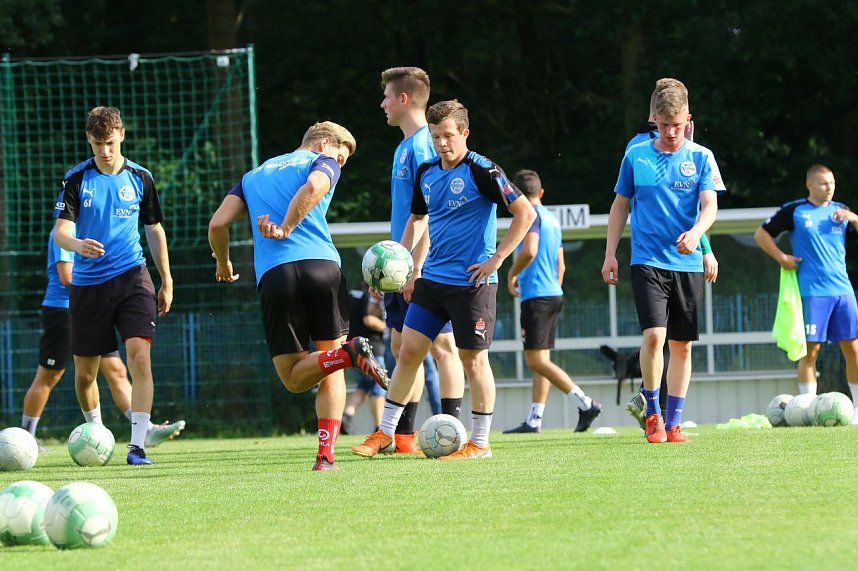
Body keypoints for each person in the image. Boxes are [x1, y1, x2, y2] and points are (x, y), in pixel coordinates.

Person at [352, 99, 536, 460]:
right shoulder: (427, 171)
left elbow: (524, 213)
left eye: (448, 136)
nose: (441, 143)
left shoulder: (484, 170)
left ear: (464, 133)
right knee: (408, 353)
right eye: (436, 136)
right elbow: (417, 220)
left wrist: (496, 259)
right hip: (432, 281)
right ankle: (386, 432)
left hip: (472, 285)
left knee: (473, 361)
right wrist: (400, 265)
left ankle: (480, 443)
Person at [208, 121, 389, 471]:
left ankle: (346, 361)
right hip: (324, 268)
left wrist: (223, 260)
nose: (340, 164)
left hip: (277, 277)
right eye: (340, 156)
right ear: (323, 143)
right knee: (331, 363)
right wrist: (288, 226)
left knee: (293, 378)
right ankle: (325, 455)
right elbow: (317, 184)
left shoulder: (252, 176)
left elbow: (217, 225)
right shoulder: (321, 162)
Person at [602, 84, 725, 443]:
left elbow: (709, 205)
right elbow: (619, 206)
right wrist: (610, 253)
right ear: (653, 119)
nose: (671, 133)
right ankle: (652, 412)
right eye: (665, 125)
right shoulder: (636, 156)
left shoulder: (702, 156)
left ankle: (674, 422)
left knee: (682, 345)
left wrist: (699, 238)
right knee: (655, 336)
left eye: (678, 125)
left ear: (688, 120)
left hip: (685, 264)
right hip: (647, 259)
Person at [53, 106, 177, 465]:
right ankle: (96, 432)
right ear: (89, 141)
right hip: (88, 284)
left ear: (121, 135)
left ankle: (137, 446)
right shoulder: (76, 179)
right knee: (84, 373)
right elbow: (61, 231)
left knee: (139, 357)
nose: (104, 151)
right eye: (97, 144)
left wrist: (165, 280)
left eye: (109, 142)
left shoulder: (140, 177)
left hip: (132, 276)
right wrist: (78, 245)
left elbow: (154, 229)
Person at [22, 226, 185, 449]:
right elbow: (66, 276)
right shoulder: (65, 232)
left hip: (98, 306)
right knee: (50, 375)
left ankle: (144, 430)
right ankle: (26, 438)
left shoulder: (99, 229)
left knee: (117, 370)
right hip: (64, 310)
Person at [376, 67, 466, 453]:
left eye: (385, 96)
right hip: (403, 263)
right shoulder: (404, 147)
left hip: (427, 265)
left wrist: (415, 263)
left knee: (442, 348)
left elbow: (432, 215)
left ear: (403, 99)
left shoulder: (426, 146)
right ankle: (405, 437)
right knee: (401, 348)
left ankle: (453, 433)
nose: (381, 103)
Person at [754, 164, 858, 423]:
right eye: (823, 183)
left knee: (854, 350)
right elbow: (761, 234)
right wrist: (782, 257)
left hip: (843, 291)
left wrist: (854, 218)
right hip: (812, 293)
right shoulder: (795, 210)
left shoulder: (841, 211)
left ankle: (857, 410)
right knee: (810, 352)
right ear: (809, 185)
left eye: (832, 183)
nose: (829, 188)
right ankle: (809, 410)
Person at [502, 169, 602, 434]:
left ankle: (585, 403)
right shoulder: (553, 219)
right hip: (553, 292)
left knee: (535, 361)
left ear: (516, 194)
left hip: (537, 295)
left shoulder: (529, 216)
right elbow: (561, 264)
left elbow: (530, 250)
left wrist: (512, 274)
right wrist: (554, 287)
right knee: (542, 359)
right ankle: (535, 419)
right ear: (541, 192)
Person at [341, 283, 387, 434]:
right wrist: (388, 327)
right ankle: (379, 427)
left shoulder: (352, 293)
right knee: (379, 387)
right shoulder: (371, 295)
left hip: (351, 349)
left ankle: (346, 416)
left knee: (364, 386)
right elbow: (369, 320)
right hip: (371, 349)